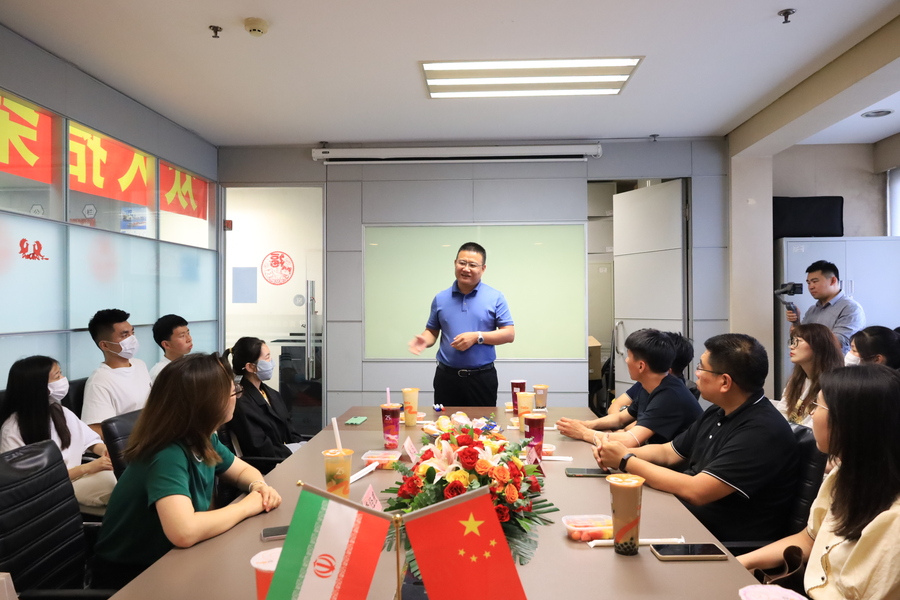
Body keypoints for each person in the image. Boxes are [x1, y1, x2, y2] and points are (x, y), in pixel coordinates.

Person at [93, 353, 282, 589]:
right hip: (133, 579)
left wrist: (258, 486)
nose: (237, 396)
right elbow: (183, 531)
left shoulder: (202, 437)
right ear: (208, 403)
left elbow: (243, 471)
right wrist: (247, 506)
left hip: (175, 560)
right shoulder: (167, 453)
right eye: (233, 391)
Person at [595, 333, 798, 542]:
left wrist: (625, 460)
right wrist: (619, 452)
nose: (696, 373)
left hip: (716, 540)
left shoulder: (761, 431)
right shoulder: (719, 411)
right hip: (686, 516)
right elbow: (667, 452)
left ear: (725, 382)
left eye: (701, 368)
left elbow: (697, 490)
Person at [738, 365, 900, 599]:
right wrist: (740, 562)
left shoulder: (894, 522)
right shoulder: (844, 475)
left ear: (849, 421)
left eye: (818, 405)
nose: (812, 414)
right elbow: (810, 539)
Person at [408, 242, 515, 406]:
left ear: (483, 269)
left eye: (472, 265)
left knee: (484, 422)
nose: (466, 269)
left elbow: (509, 334)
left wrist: (477, 337)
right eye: (462, 263)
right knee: (444, 422)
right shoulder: (440, 298)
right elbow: (432, 331)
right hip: (446, 378)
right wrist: (425, 340)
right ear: (455, 263)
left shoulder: (495, 297)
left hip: (482, 378)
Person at [0, 356, 116, 507]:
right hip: (51, 491)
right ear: (38, 386)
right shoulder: (12, 430)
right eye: (57, 376)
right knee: (120, 489)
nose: (63, 379)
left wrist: (106, 451)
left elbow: (90, 441)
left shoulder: (59, 411)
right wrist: (87, 468)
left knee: (128, 479)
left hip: (79, 477)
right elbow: (29, 481)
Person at [557, 329, 701, 446]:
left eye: (629, 357)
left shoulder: (670, 395)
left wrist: (583, 433)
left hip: (678, 468)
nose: (626, 360)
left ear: (641, 366)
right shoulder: (650, 386)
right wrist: (586, 425)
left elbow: (630, 440)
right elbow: (620, 418)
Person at [223, 337, 304, 464]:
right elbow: (259, 448)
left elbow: (291, 432)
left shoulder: (273, 394)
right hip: (269, 465)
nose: (272, 362)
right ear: (250, 367)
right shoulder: (240, 402)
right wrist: (294, 450)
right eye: (267, 358)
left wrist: (303, 447)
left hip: (287, 459)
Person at [83, 308, 151, 438]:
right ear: (105, 345)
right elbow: (96, 429)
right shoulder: (99, 381)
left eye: (132, 333)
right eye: (124, 335)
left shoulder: (139, 364)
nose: (132, 339)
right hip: (135, 442)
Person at [606, 331, 699, 417]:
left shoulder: (671, 395)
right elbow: (615, 408)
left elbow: (639, 427)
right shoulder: (647, 383)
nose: (627, 360)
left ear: (667, 369)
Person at [785, 260, 865, 354]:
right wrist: (796, 322)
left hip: (836, 363)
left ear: (833, 280)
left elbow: (837, 343)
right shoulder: (812, 310)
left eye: (815, 281)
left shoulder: (850, 308)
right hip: (812, 362)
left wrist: (805, 338)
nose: (811, 287)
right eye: (809, 283)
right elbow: (798, 340)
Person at [773, 323, 843, 427]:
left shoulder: (833, 385)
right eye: (792, 341)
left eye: (798, 341)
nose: (791, 346)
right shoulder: (797, 379)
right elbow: (781, 411)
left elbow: (814, 429)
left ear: (818, 346)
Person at [149, 314, 193, 383]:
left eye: (188, 333)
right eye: (182, 336)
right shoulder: (160, 372)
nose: (189, 339)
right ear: (166, 344)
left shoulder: (192, 364)